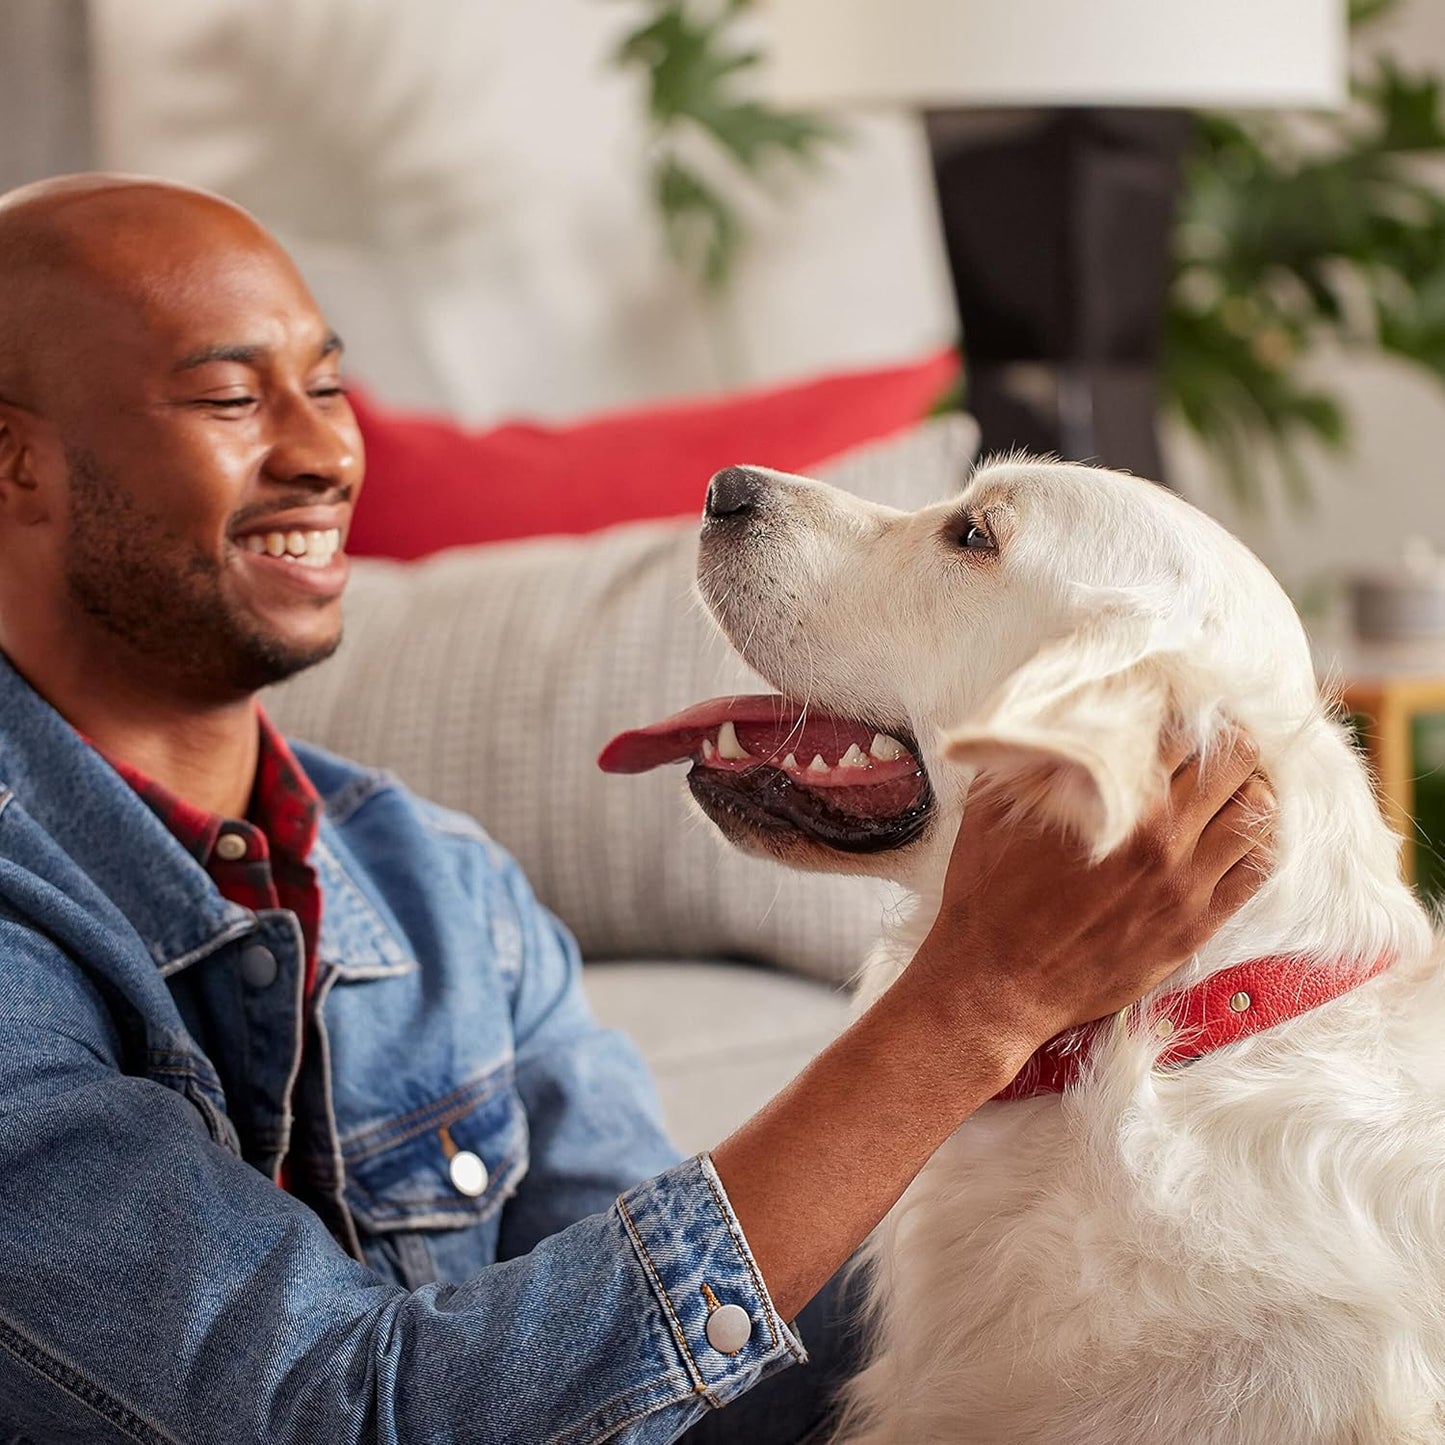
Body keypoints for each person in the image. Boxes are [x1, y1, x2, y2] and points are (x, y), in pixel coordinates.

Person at [0, 174, 1274, 1445]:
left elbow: (663, 1368)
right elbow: (334, 1416)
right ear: (16, 458)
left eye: (327, 386)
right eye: (230, 396)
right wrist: (974, 1001)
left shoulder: (442, 889)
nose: (327, 453)